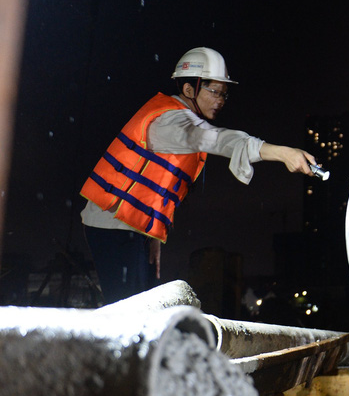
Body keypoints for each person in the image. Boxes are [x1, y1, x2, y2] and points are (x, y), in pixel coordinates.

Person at [80, 47, 317, 304]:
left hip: (125, 226)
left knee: (141, 308)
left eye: (224, 94)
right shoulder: (172, 121)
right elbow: (218, 139)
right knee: (130, 310)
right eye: (214, 92)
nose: (221, 100)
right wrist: (282, 153)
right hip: (112, 224)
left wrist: (150, 237)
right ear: (190, 89)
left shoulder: (180, 117)